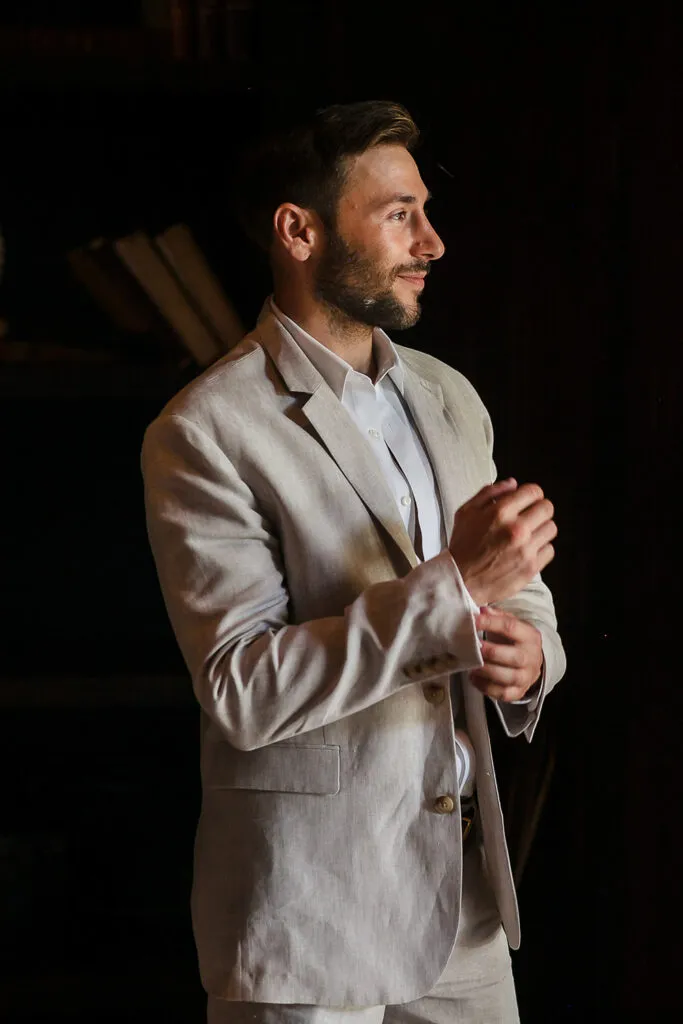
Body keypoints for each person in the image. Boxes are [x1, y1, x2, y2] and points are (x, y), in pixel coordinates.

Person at [142, 100, 566, 1024]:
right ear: (299, 231)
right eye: (398, 213)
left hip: (466, 909)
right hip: (309, 912)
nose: (433, 242)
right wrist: (456, 589)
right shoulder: (203, 431)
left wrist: (531, 658)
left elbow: (517, 594)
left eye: (423, 210)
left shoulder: (450, 396)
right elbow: (244, 688)